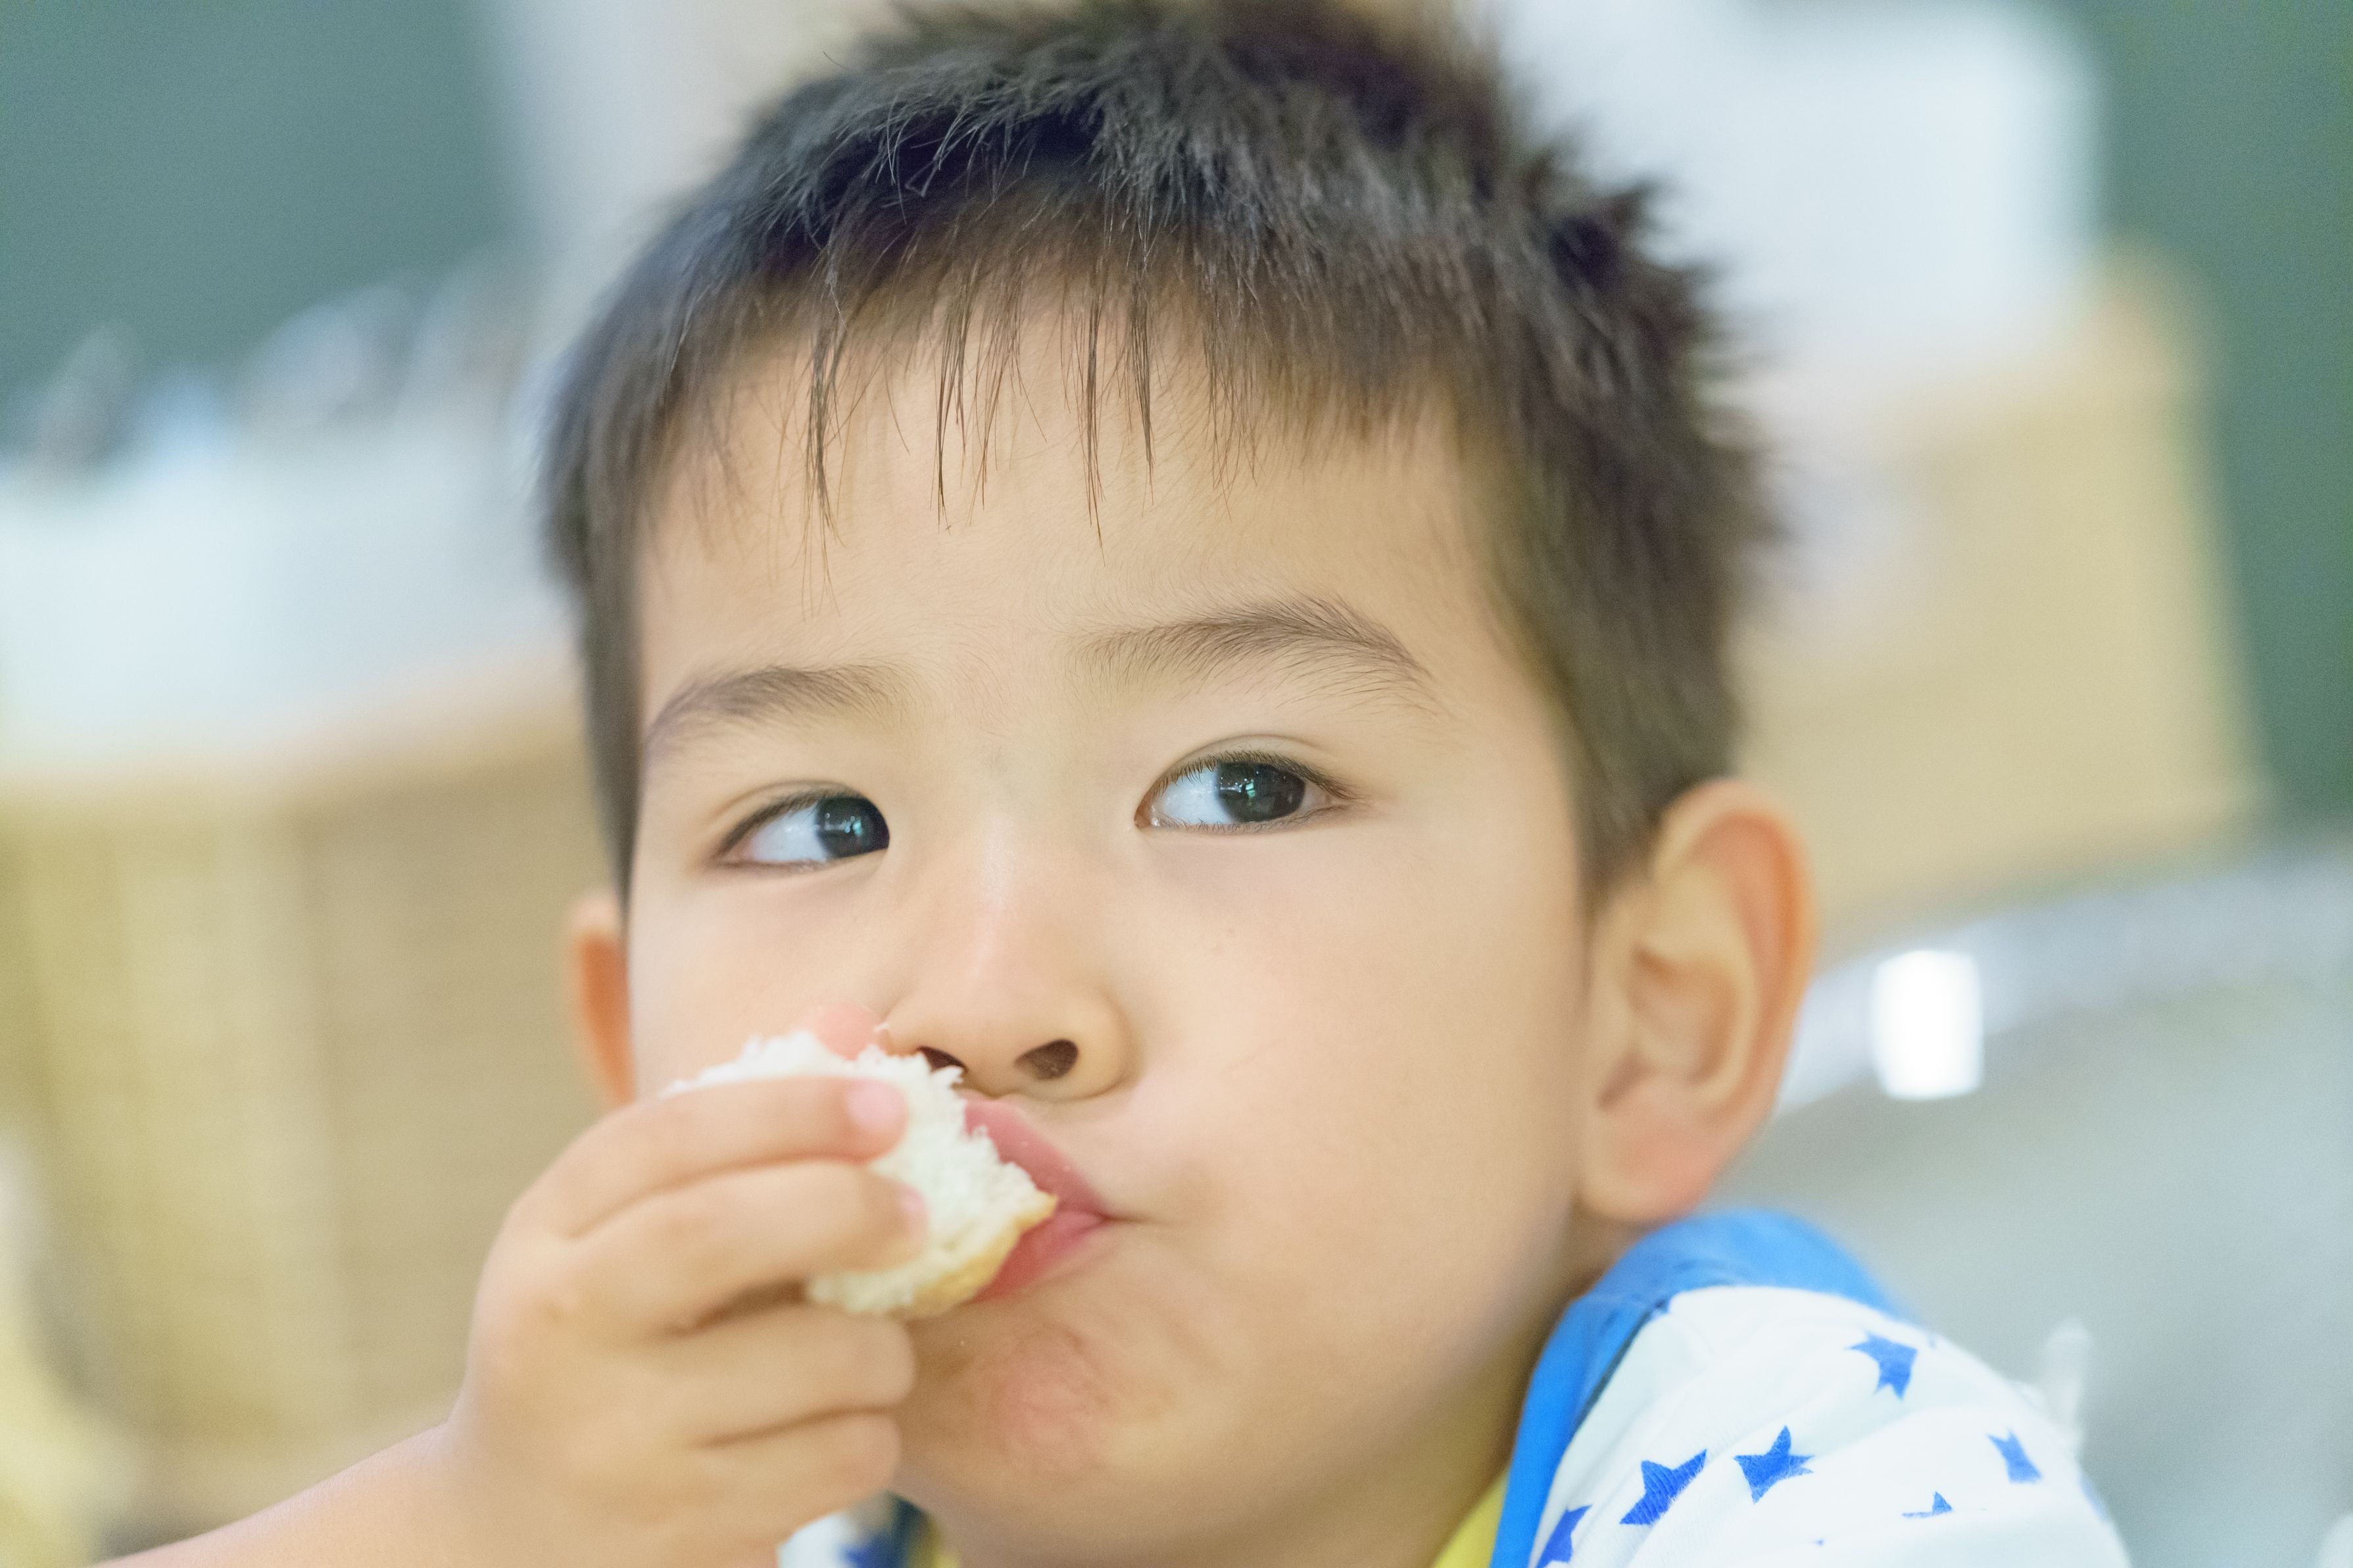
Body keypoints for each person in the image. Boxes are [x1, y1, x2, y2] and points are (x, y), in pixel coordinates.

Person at [122, 2, 2127, 1563]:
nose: (987, 998)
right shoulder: (744, 1528)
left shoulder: (1810, 1480)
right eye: (818, 824)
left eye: (1239, 786)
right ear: (627, 1041)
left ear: (1648, 1007)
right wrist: (468, 1521)